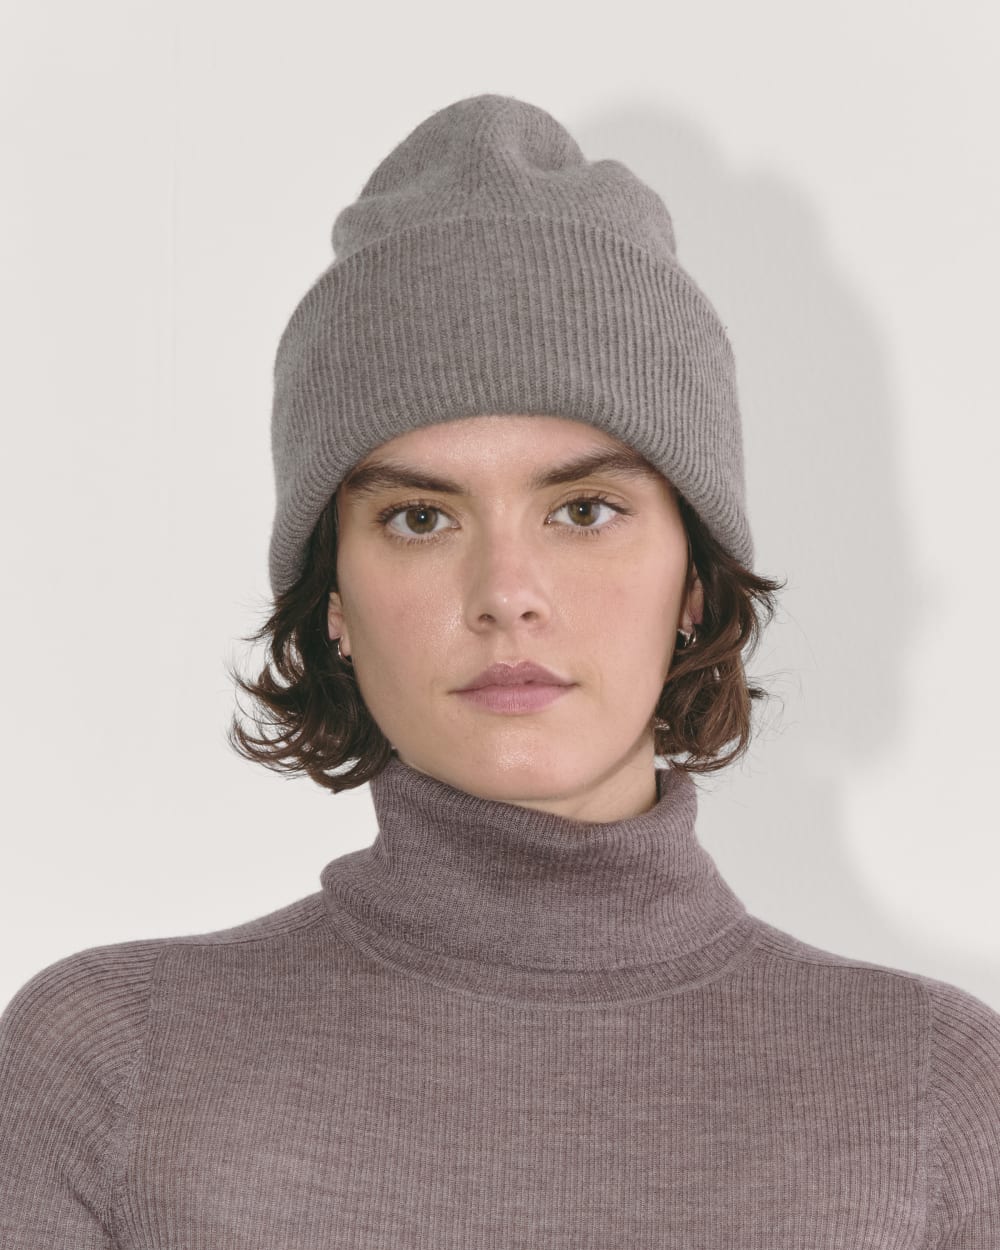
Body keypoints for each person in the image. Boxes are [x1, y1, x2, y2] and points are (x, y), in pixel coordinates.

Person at [0, 92, 997, 1248]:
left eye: (584, 509)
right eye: (421, 518)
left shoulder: (935, 1100)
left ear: (693, 578)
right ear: (334, 599)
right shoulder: (111, 1070)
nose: (506, 590)